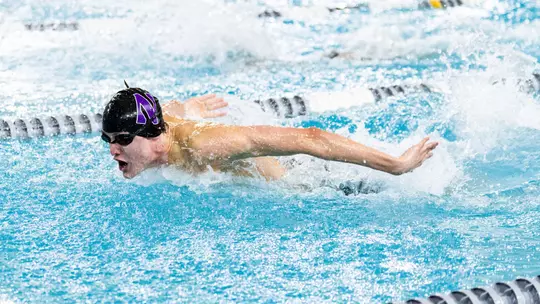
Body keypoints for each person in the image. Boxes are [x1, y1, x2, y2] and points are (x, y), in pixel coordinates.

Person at [101, 86, 438, 183]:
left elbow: (310, 138)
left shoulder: (206, 147)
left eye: (123, 139)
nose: (114, 150)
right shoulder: (162, 127)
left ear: (154, 134)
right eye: (109, 139)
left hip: (311, 185)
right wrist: (192, 108)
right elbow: (173, 107)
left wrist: (396, 165)